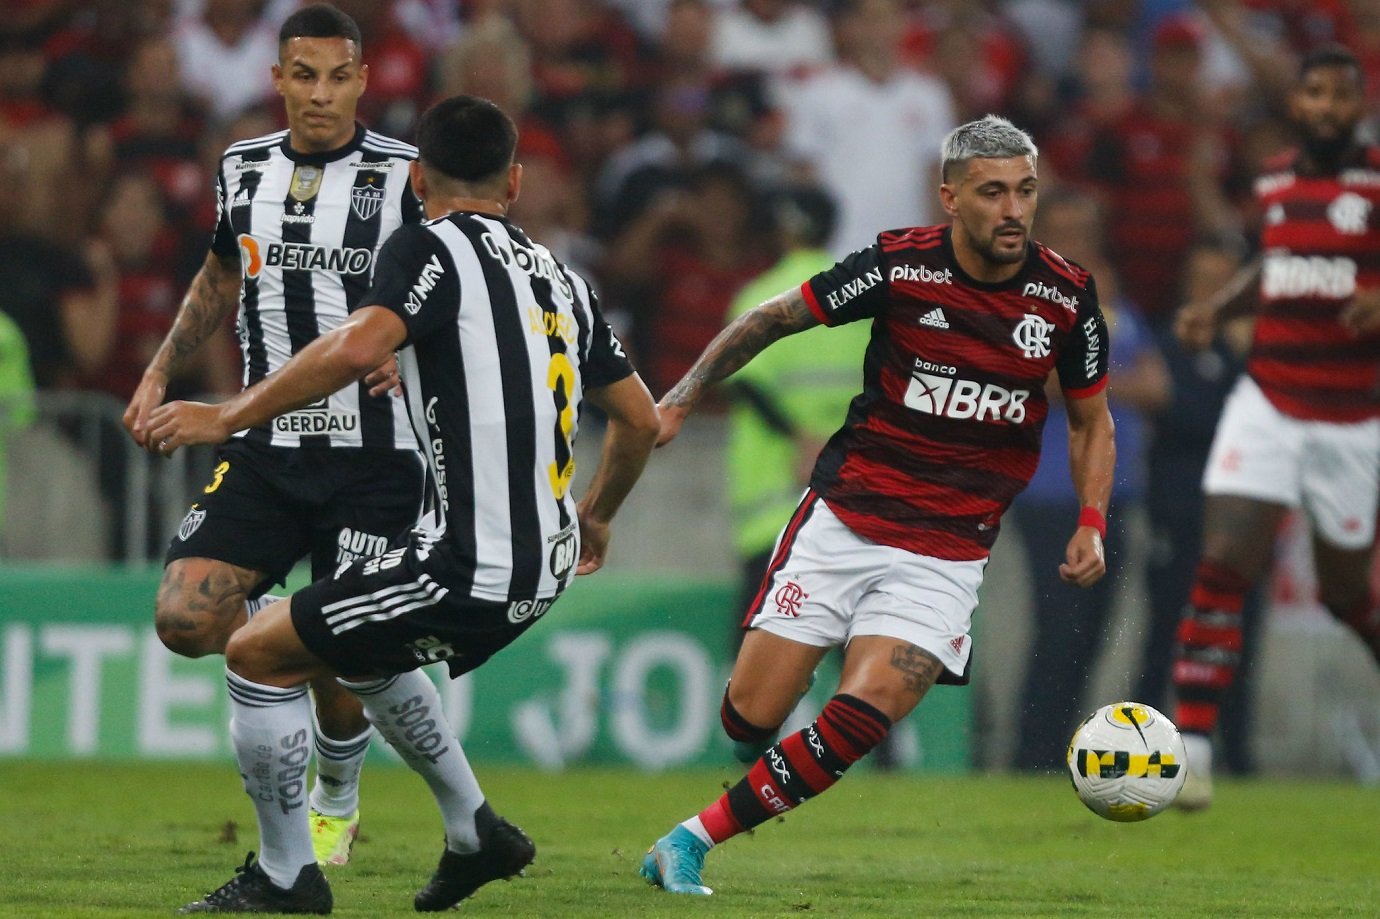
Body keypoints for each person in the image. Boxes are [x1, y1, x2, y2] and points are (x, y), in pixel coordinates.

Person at [146, 94, 660, 914]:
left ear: (418, 177)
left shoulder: (427, 244)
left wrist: (231, 413)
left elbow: (357, 343)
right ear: (516, 181)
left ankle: (287, 878)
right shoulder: (563, 277)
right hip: (546, 561)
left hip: (465, 564)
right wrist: (597, 512)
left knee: (254, 653)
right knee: (360, 651)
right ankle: (475, 830)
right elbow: (640, 420)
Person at [642, 114, 1114, 896]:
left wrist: (1092, 519)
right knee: (749, 718)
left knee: (870, 708)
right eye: (993, 192)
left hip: (949, 549)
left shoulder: (1065, 296)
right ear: (951, 196)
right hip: (847, 518)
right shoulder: (901, 267)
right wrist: (684, 396)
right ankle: (755, 743)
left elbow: (1092, 420)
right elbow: (770, 318)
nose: (1013, 210)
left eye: (1026, 191)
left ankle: (689, 840)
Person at [123, 5, 427, 867]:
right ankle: (283, 631)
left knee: (342, 666)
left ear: (364, 79)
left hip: (378, 454)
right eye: (304, 75)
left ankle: (337, 788)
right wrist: (158, 371)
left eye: (338, 76)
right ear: (278, 80)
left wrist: (414, 353)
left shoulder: (409, 178)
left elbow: (458, 291)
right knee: (184, 616)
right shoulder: (241, 167)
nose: (320, 94)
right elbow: (222, 271)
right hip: (267, 443)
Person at [1169, 45, 1380, 811]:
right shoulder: (1282, 179)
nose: (1326, 106)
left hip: (1351, 418)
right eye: (1313, 93)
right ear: (1297, 104)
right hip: (1268, 398)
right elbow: (1277, 265)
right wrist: (1217, 309)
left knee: (1347, 593)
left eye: (1340, 95)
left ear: (1360, 105)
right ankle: (1191, 748)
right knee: (1223, 557)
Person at [1009, 189, 1168, 773]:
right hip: (1049, 488)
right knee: (1059, 627)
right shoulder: (1027, 291)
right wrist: (1102, 380)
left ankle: (1057, 751)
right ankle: (1032, 757)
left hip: (1114, 490)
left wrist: (1093, 381)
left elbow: (1157, 387)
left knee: (1094, 631)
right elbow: (1040, 375)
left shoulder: (1109, 296)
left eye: (1086, 226)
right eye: (1066, 227)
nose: (1078, 238)